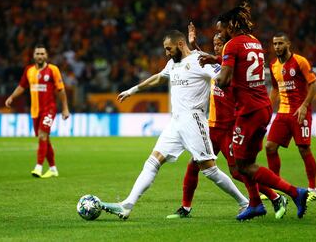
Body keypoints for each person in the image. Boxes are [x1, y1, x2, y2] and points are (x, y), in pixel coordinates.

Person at [101, 30, 249, 220]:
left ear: (180, 44)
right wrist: (133, 90)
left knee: (210, 170)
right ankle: (127, 205)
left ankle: (244, 202)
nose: (166, 53)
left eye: (168, 49)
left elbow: (224, 78)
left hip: (194, 121)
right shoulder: (173, 63)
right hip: (176, 122)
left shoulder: (200, 61)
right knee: (153, 161)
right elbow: (159, 77)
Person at [166, 20, 288, 220]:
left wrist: (200, 51)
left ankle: (275, 197)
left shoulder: (232, 69)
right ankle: (185, 208)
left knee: (239, 172)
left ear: (228, 45)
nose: (216, 48)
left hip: (229, 128)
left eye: (219, 44)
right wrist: (194, 45)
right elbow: (208, 60)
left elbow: (218, 66)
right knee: (193, 164)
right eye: (214, 45)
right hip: (213, 127)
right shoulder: (220, 64)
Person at [215, 2, 309, 221]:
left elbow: (225, 79)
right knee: (247, 160)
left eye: (221, 30)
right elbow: (244, 66)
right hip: (263, 106)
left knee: (241, 166)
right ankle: (256, 204)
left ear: (230, 26)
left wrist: (216, 77)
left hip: (248, 111)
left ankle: (295, 193)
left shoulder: (231, 45)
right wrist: (217, 59)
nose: (220, 34)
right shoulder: (255, 42)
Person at [266, 32, 316, 202]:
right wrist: (267, 107)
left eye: (280, 43)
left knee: (304, 149)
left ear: (288, 44)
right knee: (270, 147)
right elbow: (275, 89)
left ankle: (313, 188)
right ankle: (275, 187)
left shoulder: (300, 61)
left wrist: (304, 106)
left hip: (299, 113)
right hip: (282, 112)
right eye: (275, 44)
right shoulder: (273, 64)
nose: (277, 47)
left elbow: (313, 84)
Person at [5, 44, 70, 178]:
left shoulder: (53, 70)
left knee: (42, 135)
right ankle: (53, 169)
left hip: (49, 109)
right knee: (45, 138)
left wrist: (65, 108)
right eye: (37, 54)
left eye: (42, 53)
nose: (40, 56)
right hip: (35, 111)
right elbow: (22, 86)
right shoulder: (29, 70)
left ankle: (38, 167)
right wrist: (11, 97)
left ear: (46, 55)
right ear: (33, 56)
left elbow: (61, 90)